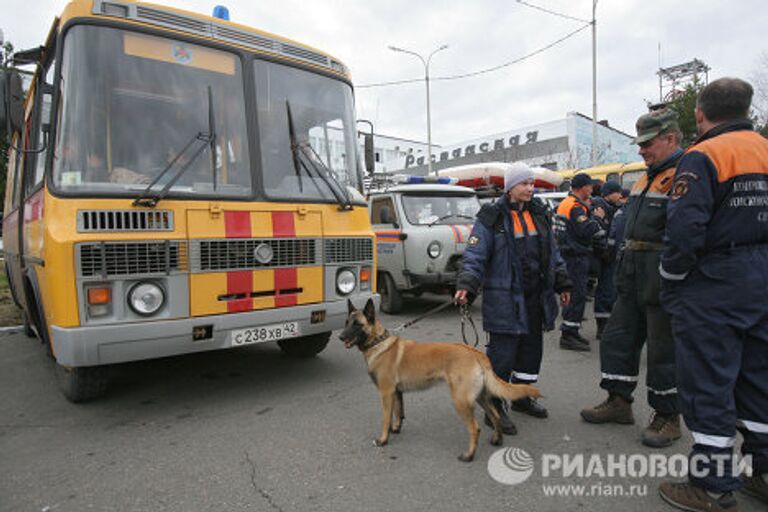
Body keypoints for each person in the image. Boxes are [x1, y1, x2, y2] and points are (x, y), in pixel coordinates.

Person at [657, 78, 768, 512]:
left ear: (700, 115)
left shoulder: (703, 155)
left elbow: (685, 230)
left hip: (715, 281)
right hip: (761, 277)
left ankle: (712, 485)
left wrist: (671, 278)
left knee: (708, 381)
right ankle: (763, 473)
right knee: (759, 382)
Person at [580, 109, 684, 449]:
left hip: (661, 273)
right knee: (617, 339)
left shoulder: (684, 174)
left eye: (648, 143)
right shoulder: (645, 177)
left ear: (670, 138)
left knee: (662, 350)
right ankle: (619, 401)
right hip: (631, 272)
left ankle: (668, 416)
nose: (641, 150)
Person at [455, 162, 572, 434]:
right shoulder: (491, 216)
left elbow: (553, 254)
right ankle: (494, 405)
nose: (530, 188)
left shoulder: (540, 214)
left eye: (532, 183)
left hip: (536, 298)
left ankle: (521, 398)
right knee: (502, 356)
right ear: (510, 188)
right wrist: (467, 283)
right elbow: (475, 255)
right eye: (524, 183)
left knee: (531, 353)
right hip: (504, 300)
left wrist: (563, 281)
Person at [554, 173, 605, 350]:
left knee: (573, 294)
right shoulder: (575, 207)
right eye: (589, 186)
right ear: (582, 187)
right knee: (576, 295)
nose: (591, 189)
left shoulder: (565, 203)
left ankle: (572, 331)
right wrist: (598, 218)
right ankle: (568, 334)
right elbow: (585, 231)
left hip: (567, 254)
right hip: (575, 256)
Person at [591, 180, 623, 339]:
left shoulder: (611, 208)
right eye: (618, 192)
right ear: (610, 193)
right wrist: (606, 251)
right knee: (605, 291)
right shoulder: (599, 207)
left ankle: (606, 325)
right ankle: (602, 327)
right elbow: (599, 233)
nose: (620, 195)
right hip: (604, 256)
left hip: (609, 256)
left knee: (609, 291)